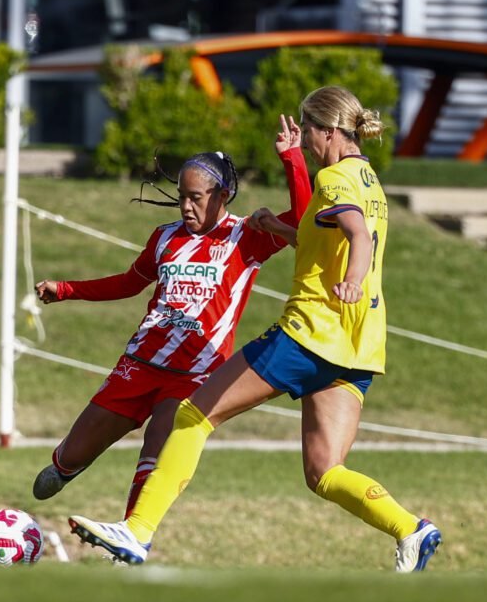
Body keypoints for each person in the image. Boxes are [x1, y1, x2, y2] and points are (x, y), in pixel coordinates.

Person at [68, 86, 443, 573]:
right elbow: (328, 236)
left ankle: (137, 533)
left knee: (192, 415)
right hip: (358, 347)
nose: (306, 141)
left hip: (310, 333)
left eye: (308, 131)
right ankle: (410, 528)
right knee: (324, 471)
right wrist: (285, 229)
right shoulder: (369, 179)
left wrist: (352, 279)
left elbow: (354, 235)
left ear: (328, 130)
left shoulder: (332, 179)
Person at [32, 123, 312, 524]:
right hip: (140, 363)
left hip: (194, 375)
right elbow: (129, 283)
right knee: (69, 457)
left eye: (195, 198)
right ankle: (65, 467)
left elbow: (303, 218)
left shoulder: (247, 236)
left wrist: (292, 157)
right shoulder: (164, 237)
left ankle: (131, 537)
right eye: (182, 196)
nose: (185, 206)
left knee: (157, 450)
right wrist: (66, 288)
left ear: (223, 196)